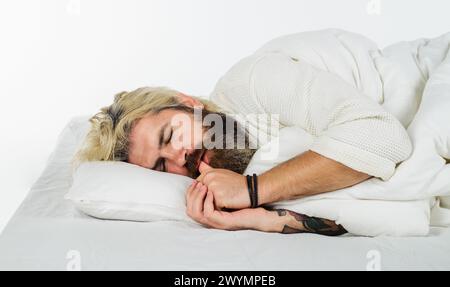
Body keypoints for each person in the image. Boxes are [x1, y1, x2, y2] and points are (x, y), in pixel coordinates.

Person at [76, 30, 416, 235]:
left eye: (169, 135)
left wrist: (254, 191)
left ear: (187, 102)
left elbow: (383, 138)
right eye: (162, 167)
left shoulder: (252, 81)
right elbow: (353, 217)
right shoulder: (238, 167)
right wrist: (258, 219)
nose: (180, 157)